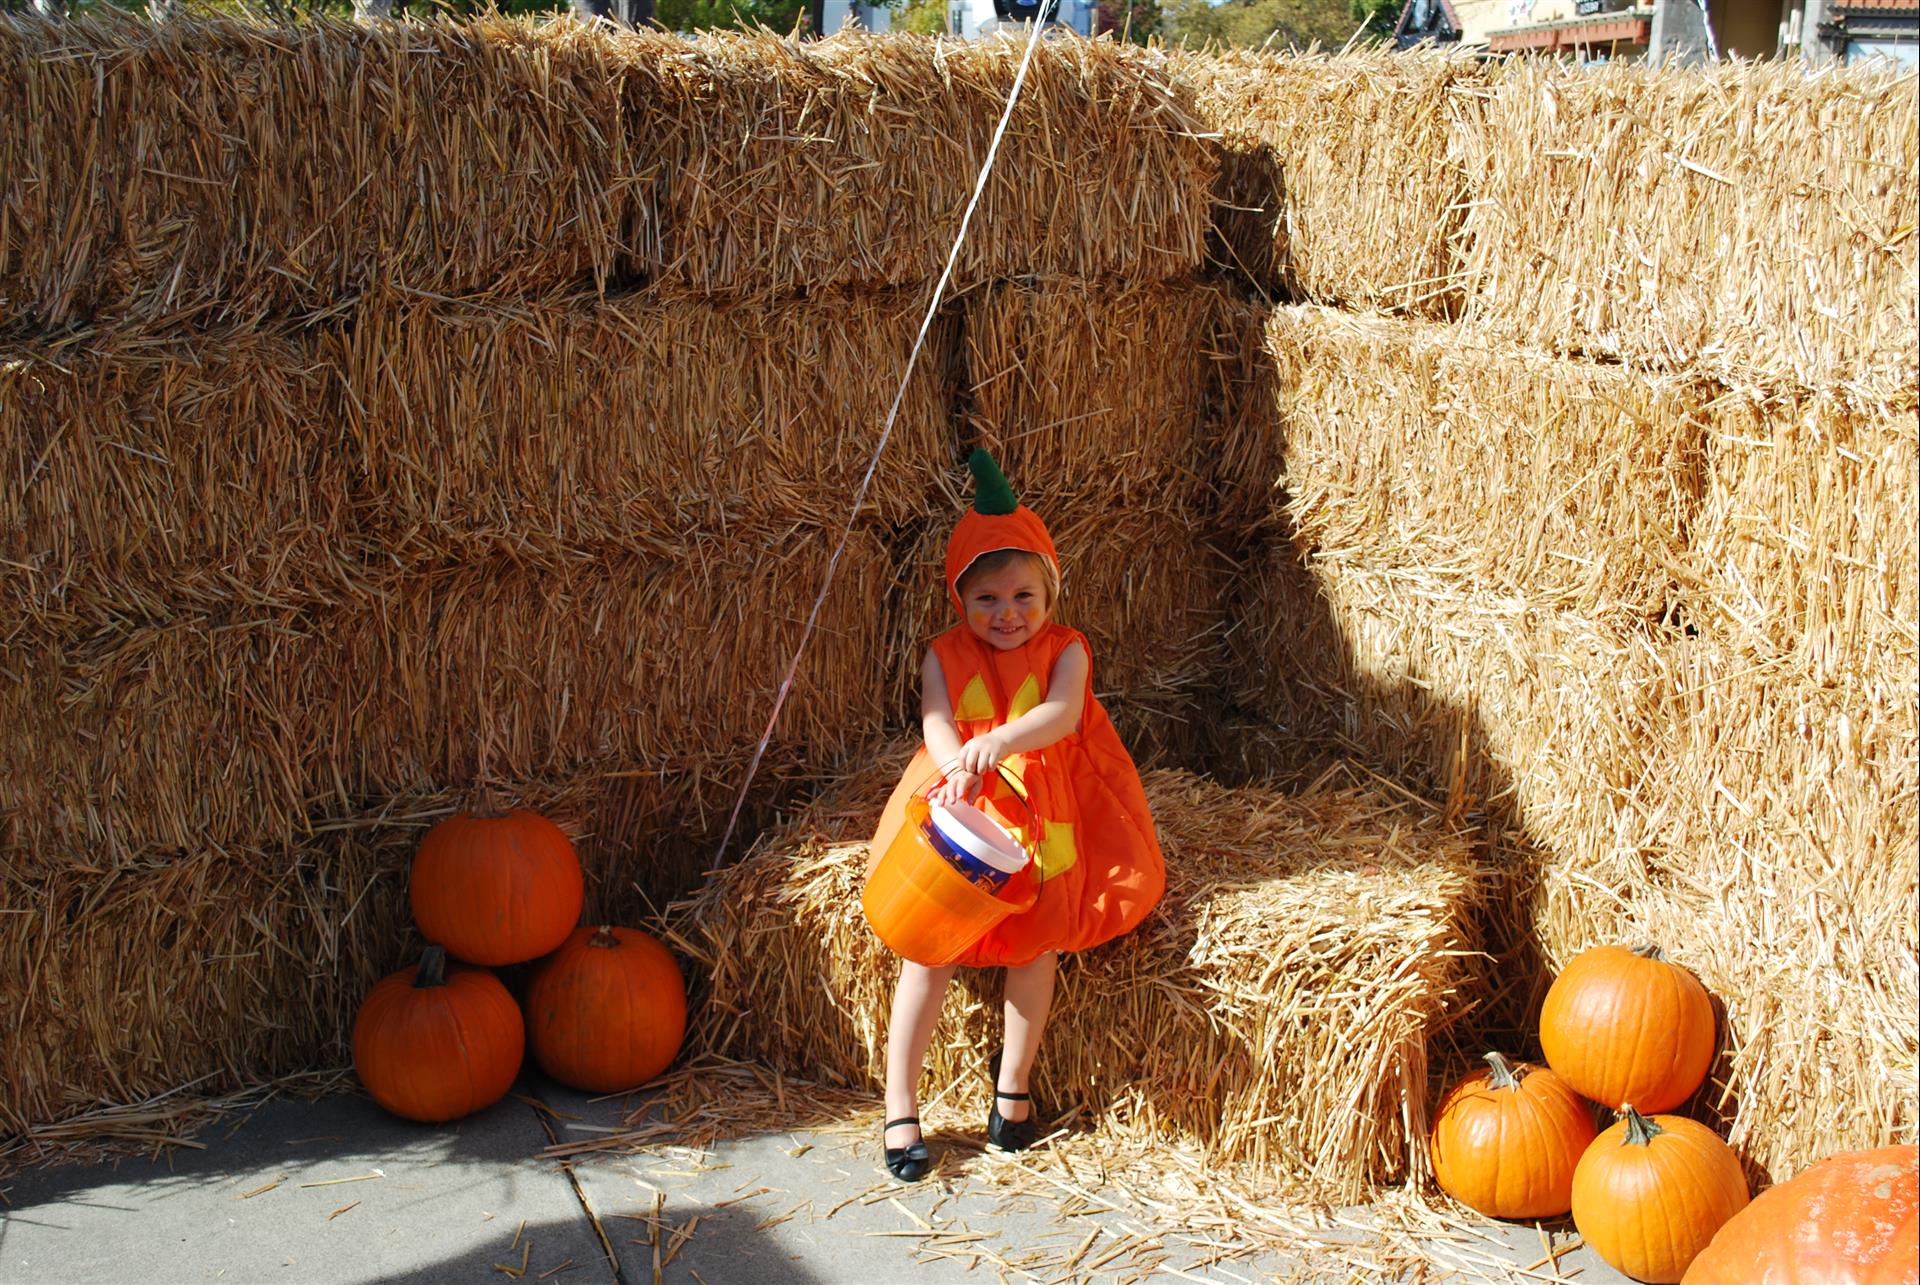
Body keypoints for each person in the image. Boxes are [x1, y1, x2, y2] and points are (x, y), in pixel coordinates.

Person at [867, 448, 1166, 1181]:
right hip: (963, 802)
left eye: (1023, 596)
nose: (1007, 614)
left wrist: (1000, 739)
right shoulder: (942, 654)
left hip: (1041, 812)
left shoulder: (1069, 650)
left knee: (1036, 949)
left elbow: (1062, 715)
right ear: (960, 603)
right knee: (927, 951)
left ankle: (1013, 1090)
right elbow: (939, 722)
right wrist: (955, 765)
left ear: (1050, 590)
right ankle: (900, 1104)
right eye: (988, 601)